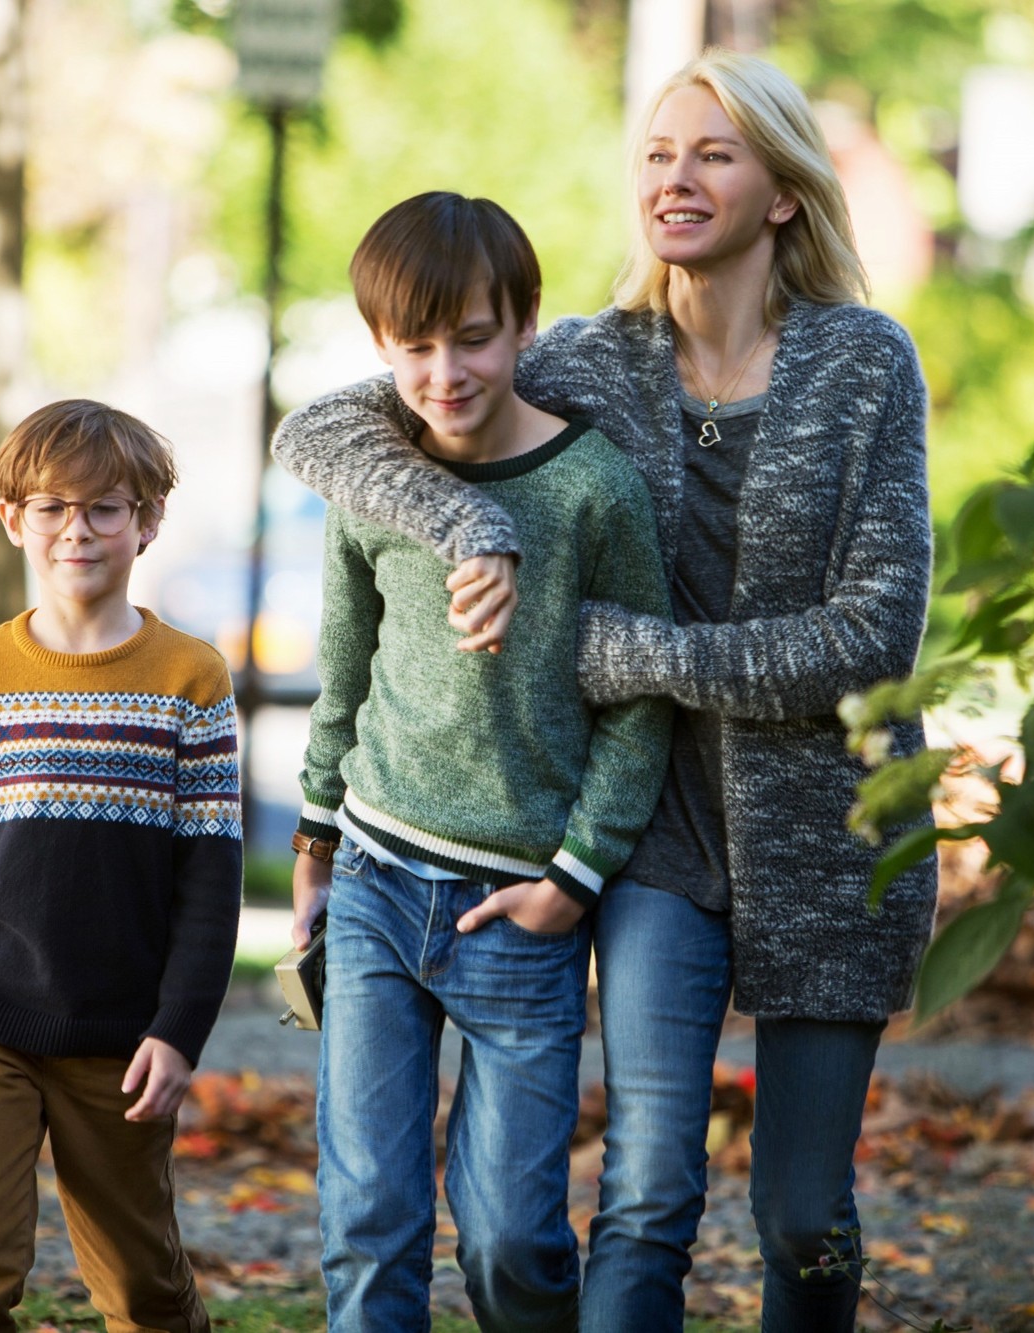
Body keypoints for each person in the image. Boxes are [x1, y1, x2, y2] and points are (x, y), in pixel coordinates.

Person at [274, 53, 938, 1333]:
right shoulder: (583, 357)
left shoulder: (866, 363)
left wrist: (627, 650)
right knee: (641, 1188)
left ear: (783, 192)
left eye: (712, 153)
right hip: (650, 835)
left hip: (827, 832)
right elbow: (328, 432)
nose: (672, 178)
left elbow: (870, 634)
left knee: (803, 1213)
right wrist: (470, 528)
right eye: (654, 153)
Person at [289, 191, 674, 1332]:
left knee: (510, 1237)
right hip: (371, 883)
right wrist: (313, 840)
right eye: (413, 345)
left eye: (471, 336)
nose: (444, 371)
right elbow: (342, 671)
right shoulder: (372, 483)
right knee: (367, 1218)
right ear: (379, 347)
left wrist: (573, 878)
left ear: (522, 326)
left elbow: (639, 701)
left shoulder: (592, 487)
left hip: (516, 912)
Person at [0, 399, 241, 1333]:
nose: (76, 529)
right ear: (13, 519)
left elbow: (210, 879)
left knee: (142, 1284)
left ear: (147, 522)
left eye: (104, 508)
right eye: (50, 507)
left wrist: (180, 1027)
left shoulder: (190, 677)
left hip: (120, 1038)